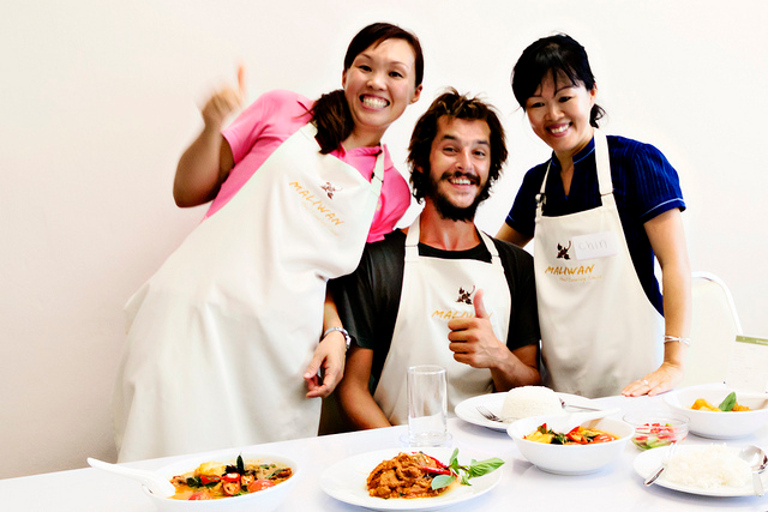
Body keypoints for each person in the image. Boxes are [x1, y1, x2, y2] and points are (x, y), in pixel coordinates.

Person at [113, 22, 424, 461]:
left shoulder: (391, 191)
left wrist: (335, 332)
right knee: (164, 469)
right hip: (193, 324)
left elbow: (330, 278)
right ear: (345, 74)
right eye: (365, 66)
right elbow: (186, 191)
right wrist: (211, 126)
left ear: (415, 92)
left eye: (395, 73)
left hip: (277, 357)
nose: (376, 81)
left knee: (260, 481)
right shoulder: (285, 111)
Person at [496, 34, 691, 399]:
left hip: (637, 387)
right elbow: (495, 257)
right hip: (559, 392)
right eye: (537, 104)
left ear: (592, 92)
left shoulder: (635, 163)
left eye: (565, 97)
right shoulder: (537, 184)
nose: (553, 115)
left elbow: (675, 264)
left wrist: (673, 363)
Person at [332, 90, 541, 429]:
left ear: (491, 168)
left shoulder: (517, 266)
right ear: (420, 162)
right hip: (401, 457)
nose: (465, 164)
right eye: (450, 149)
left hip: (491, 460)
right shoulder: (377, 261)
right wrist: (407, 460)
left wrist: (499, 358)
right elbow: (353, 390)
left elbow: (529, 393)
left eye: (479, 153)